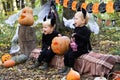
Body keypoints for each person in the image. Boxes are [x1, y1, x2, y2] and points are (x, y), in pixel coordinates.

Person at [58, 8, 92, 74]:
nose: (74, 20)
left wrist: (77, 36)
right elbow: (75, 37)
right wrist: (72, 39)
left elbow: (85, 40)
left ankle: (71, 69)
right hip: (75, 47)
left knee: (71, 55)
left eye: (76, 19)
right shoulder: (76, 28)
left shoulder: (86, 30)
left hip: (82, 48)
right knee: (66, 54)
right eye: (74, 18)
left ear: (83, 21)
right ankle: (66, 67)